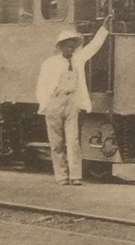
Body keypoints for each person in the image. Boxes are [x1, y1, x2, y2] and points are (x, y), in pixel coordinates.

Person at [35, 15, 112, 186]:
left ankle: (75, 176)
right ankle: (62, 176)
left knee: (73, 141)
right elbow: (41, 86)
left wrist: (104, 29)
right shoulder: (50, 64)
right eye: (68, 45)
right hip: (54, 103)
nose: (71, 47)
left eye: (73, 45)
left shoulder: (78, 60)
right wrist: (45, 104)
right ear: (61, 46)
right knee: (57, 143)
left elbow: (94, 47)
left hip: (72, 103)